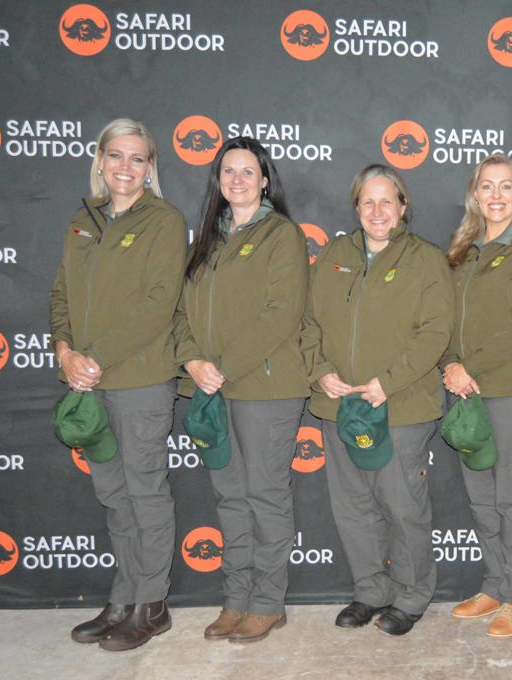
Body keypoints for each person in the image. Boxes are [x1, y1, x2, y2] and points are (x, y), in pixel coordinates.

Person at [50, 118, 186, 651]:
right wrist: (65, 351)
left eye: (137, 158)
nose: (125, 167)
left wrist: (95, 358)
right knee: (113, 493)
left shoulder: (164, 221)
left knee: (144, 491)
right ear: (100, 160)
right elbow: (61, 293)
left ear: (150, 168)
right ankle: (123, 597)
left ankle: (152, 605)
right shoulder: (82, 220)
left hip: (140, 380)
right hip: (88, 383)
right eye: (116, 155)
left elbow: (158, 303)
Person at [302, 164, 454, 636]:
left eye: (387, 200)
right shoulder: (333, 255)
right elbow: (307, 322)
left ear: (403, 207)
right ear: (356, 208)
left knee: (403, 507)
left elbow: (436, 332)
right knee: (354, 507)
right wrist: (319, 371)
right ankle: (371, 590)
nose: (377, 210)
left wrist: (387, 382)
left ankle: (411, 595)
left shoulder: (425, 259)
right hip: (340, 407)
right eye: (368, 201)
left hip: (399, 406)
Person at [173, 136, 309, 644]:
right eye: (228, 170)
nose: (237, 179)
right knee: (229, 496)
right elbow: (179, 311)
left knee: (265, 496)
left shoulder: (282, 235)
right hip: (212, 389)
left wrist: (222, 367)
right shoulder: (206, 239)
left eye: (248, 171)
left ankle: (268, 603)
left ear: (265, 180)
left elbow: (281, 313)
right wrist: (192, 360)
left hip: (265, 388)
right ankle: (236, 598)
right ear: (218, 180)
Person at [442, 154, 512, 638]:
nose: (495, 195)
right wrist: (450, 365)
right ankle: (494, 584)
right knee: (482, 501)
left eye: (505, 186)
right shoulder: (462, 250)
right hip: (466, 392)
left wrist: (470, 366)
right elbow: (443, 318)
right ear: (475, 194)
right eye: (486, 186)